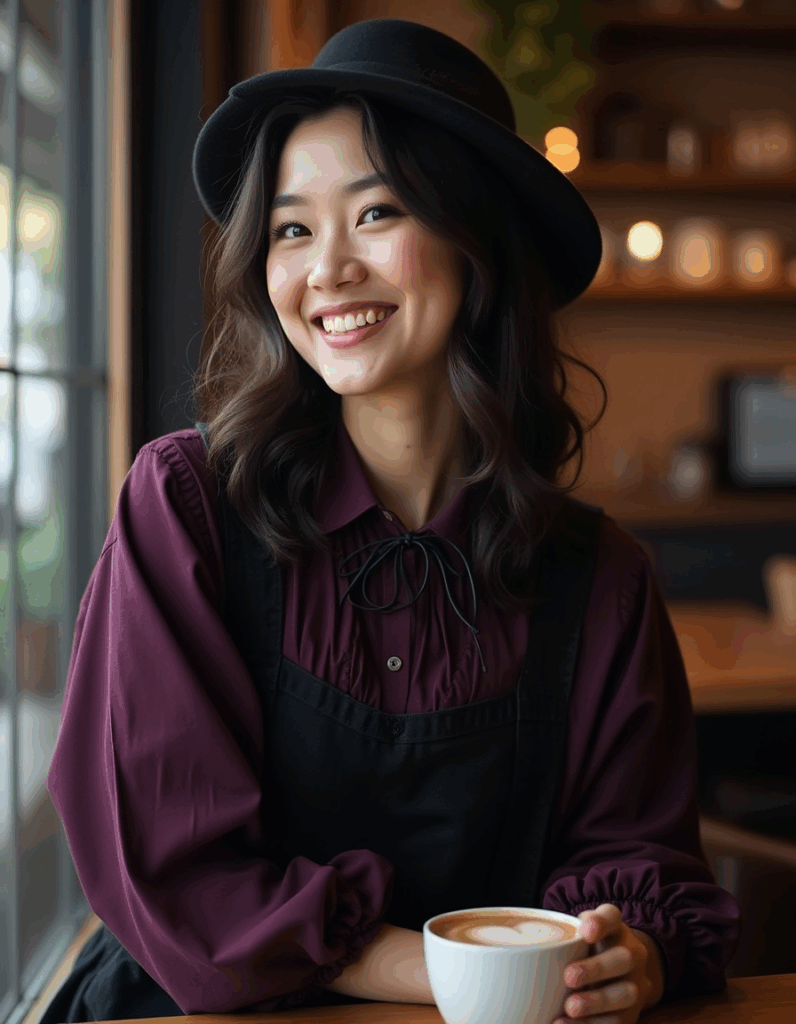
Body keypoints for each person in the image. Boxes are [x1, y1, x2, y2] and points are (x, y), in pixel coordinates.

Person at [41, 17, 741, 1024]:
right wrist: (482, 977)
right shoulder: (184, 506)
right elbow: (177, 871)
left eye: (375, 213)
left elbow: (632, 859)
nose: (325, 268)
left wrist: (623, 954)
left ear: (477, 242)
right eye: (290, 228)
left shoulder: (599, 576)